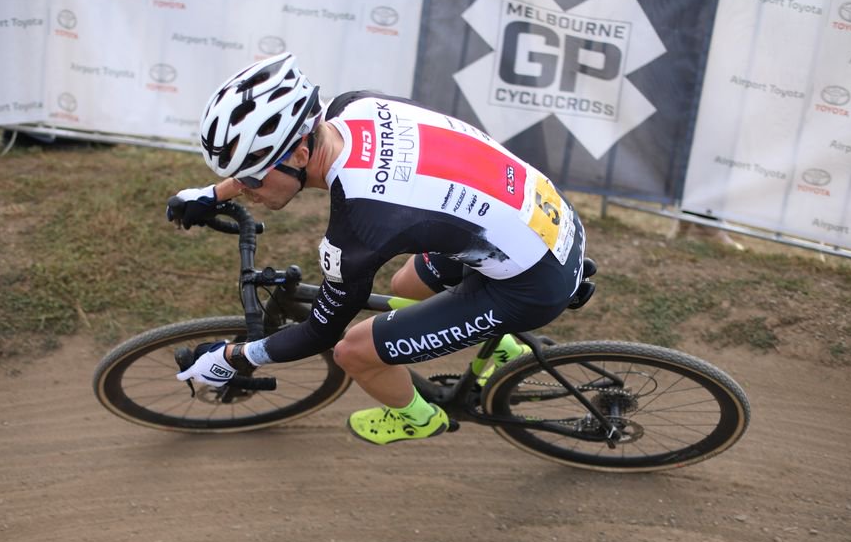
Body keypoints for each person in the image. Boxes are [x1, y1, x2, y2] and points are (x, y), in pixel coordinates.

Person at [168, 53, 587, 445]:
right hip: (544, 215)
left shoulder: (360, 227)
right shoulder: (352, 107)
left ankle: (418, 419)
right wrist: (213, 193)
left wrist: (235, 356)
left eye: (252, 179)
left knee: (353, 350)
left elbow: (320, 332)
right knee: (406, 282)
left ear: (299, 153)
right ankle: (502, 344)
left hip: (532, 282)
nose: (248, 191)